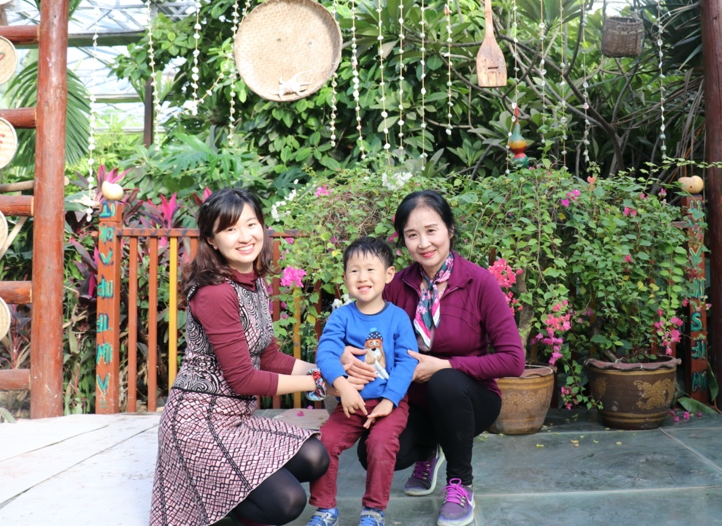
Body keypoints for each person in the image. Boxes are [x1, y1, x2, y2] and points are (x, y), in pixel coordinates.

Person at [149, 188, 332, 526]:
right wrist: (322, 382)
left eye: (251, 224)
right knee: (288, 501)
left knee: (315, 456)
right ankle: (218, 496)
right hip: (198, 426)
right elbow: (244, 379)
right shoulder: (215, 292)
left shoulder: (253, 281)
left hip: (237, 421)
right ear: (212, 240)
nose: (245, 237)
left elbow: (270, 357)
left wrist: (329, 369)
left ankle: (230, 490)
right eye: (231, 229)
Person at [344, 190, 525, 526]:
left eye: (431, 230)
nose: (424, 243)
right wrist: (345, 350)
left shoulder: (479, 282)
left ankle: (460, 483)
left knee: (445, 382)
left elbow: (513, 360)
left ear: (450, 229)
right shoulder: (396, 285)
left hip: (469, 398)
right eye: (412, 235)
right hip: (411, 400)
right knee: (373, 451)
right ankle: (428, 450)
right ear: (403, 241)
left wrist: (446, 365)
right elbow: (360, 326)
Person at [306, 237, 418, 526]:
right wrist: (343, 386)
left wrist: (390, 400)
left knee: (380, 444)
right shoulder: (341, 317)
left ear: (389, 274)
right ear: (345, 278)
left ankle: (373, 511)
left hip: (389, 403)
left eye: (370, 269)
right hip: (351, 402)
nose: (362, 277)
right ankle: (325, 509)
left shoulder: (398, 318)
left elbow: (407, 362)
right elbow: (326, 352)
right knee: (325, 442)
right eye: (354, 271)